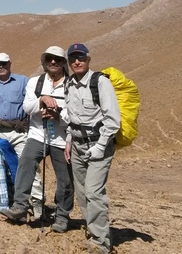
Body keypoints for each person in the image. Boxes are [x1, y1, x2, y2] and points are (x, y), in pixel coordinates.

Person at [1, 46, 74, 233]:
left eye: (57, 59)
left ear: (63, 62)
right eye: (49, 58)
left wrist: (58, 114)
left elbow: (75, 114)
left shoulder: (72, 85)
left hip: (61, 138)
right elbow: (26, 107)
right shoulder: (35, 82)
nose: (53, 62)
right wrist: (41, 100)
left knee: (65, 179)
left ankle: (62, 216)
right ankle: (20, 206)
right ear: (45, 61)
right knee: (25, 164)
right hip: (37, 134)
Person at [64, 44, 121, 254]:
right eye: (72, 59)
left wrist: (100, 146)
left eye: (80, 57)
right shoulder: (69, 84)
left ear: (88, 59)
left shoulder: (101, 83)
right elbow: (72, 118)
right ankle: (95, 229)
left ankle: (101, 243)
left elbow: (113, 120)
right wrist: (69, 140)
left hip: (99, 145)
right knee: (81, 192)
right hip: (78, 145)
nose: (76, 62)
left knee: (93, 192)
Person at [0, 52, 43, 218]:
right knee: (2, 167)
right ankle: (11, 203)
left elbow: (31, 103)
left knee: (29, 167)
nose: (0, 67)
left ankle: (37, 201)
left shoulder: (23, 81)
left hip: (20, 133)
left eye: (3, 63)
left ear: (10, 64)